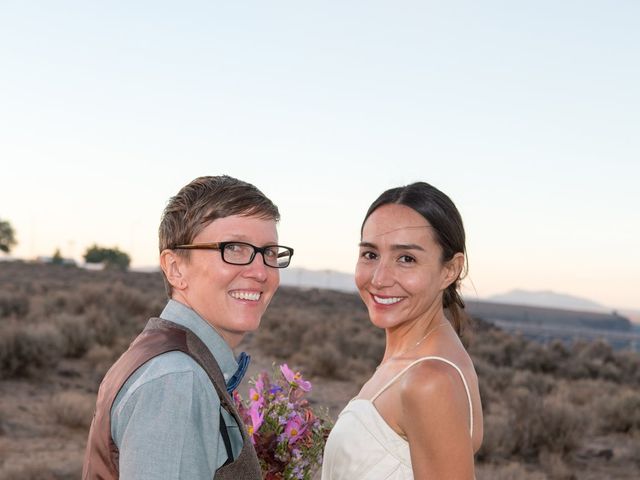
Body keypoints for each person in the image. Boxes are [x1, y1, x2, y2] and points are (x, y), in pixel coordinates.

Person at [83, 175, 294, 479]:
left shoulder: (168, 357)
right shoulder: (177, 379)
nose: (261, 272)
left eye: (270, 252)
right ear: (175, 268)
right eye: (234, 248)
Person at [322, 182, 483, 480]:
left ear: (450, 270)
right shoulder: (410, 360)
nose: (380, 278)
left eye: (406, 259)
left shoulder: (429, 380)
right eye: (370, 254)